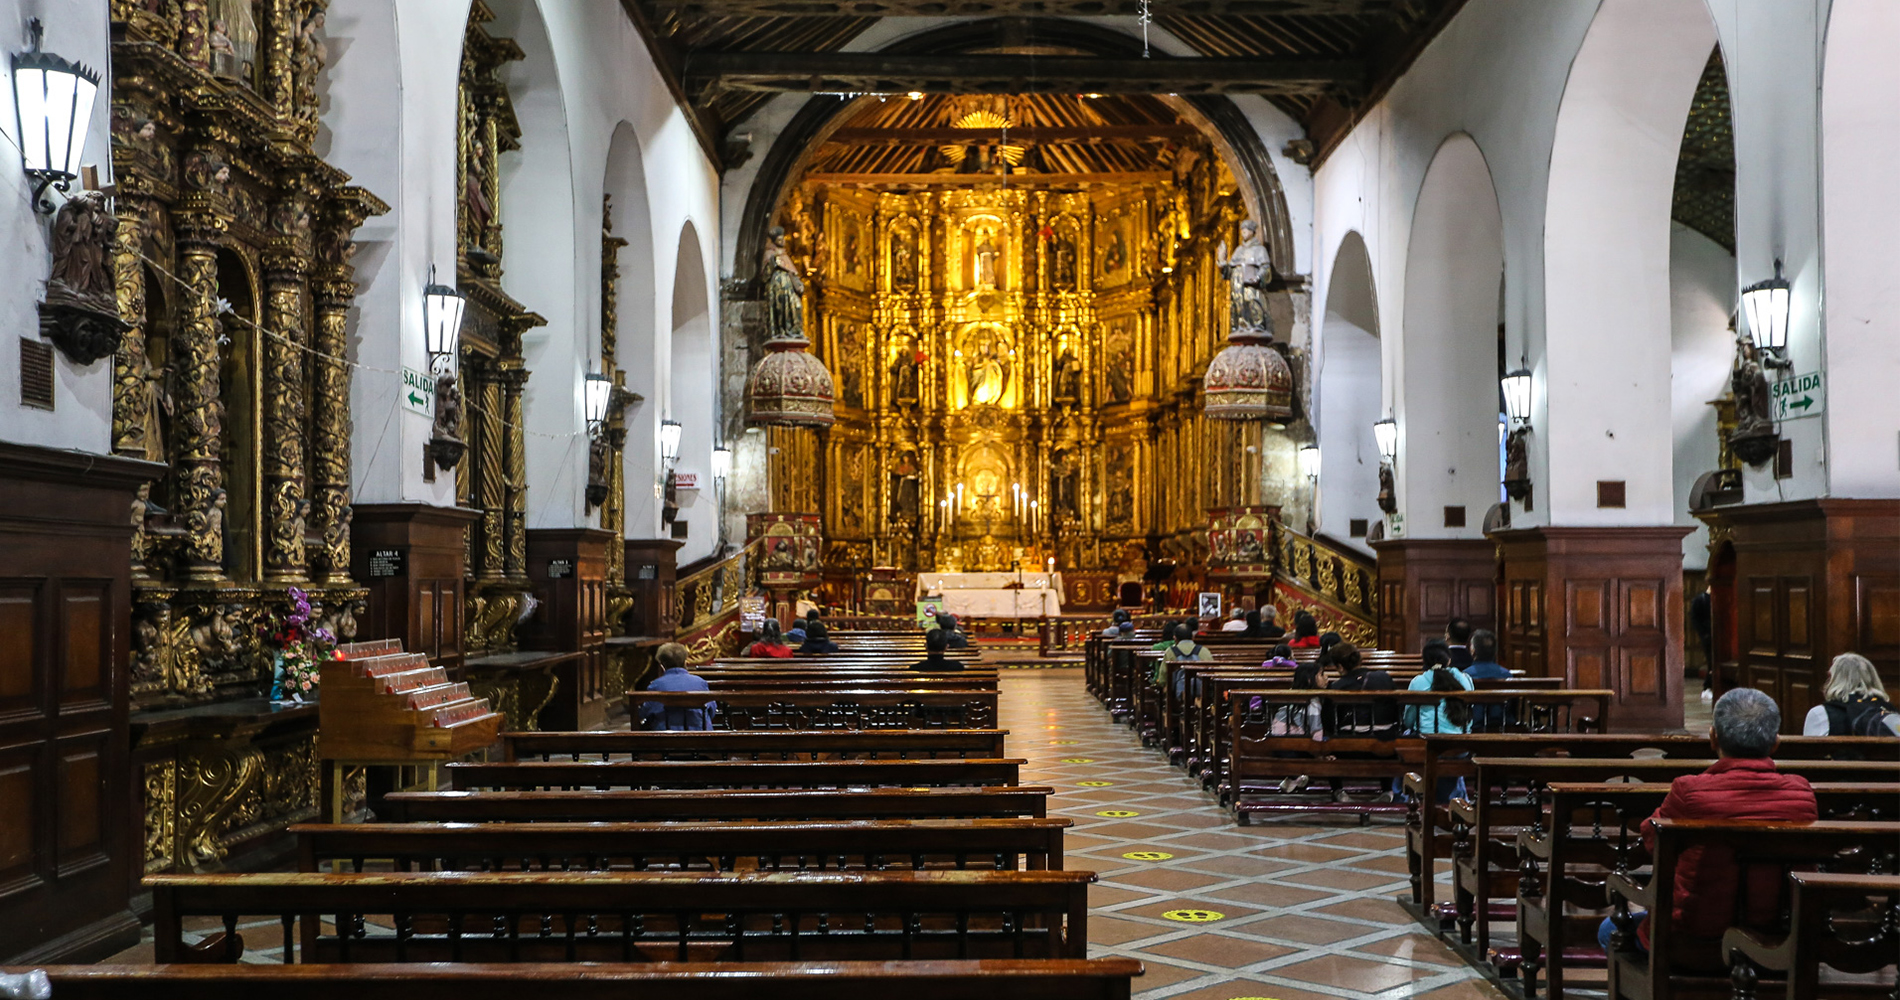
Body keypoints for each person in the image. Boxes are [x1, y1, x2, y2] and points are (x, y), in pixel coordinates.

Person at [1598, 688, 1819, 956]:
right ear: (1775, 743)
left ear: (1713, 738)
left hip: (1692, 939)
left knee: (1609, 929)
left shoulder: (1689, 791)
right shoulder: (1801, 794)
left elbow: (1653, 843)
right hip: (1776, 940)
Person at [1802, 652, 1900, 736]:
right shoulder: (1888, 710)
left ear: (1832, 678)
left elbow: (1811, 753)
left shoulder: (1819, 713)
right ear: (1873, 678)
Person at [636, 642, 717, 731]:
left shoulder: (656, 685)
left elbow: (644, 713)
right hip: (700, 736)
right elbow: (712, 710)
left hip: (666, 738)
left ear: (662, 665)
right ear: (685, 662)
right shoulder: (700, 682)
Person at [1405, 639, 1473, 736]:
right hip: (1459, 739)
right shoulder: (1465, 679)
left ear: (1424, 661)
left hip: (1426, 739)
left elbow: (1409, 720)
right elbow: (1469, 713)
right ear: (1449, 660)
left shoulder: (1418, 682)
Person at [1463, 630, 1511, 728]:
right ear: (1495, 651)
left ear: (1473, 651)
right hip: (1503, 725)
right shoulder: (1506, 675)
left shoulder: (1466, 675)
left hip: (1473, 725)